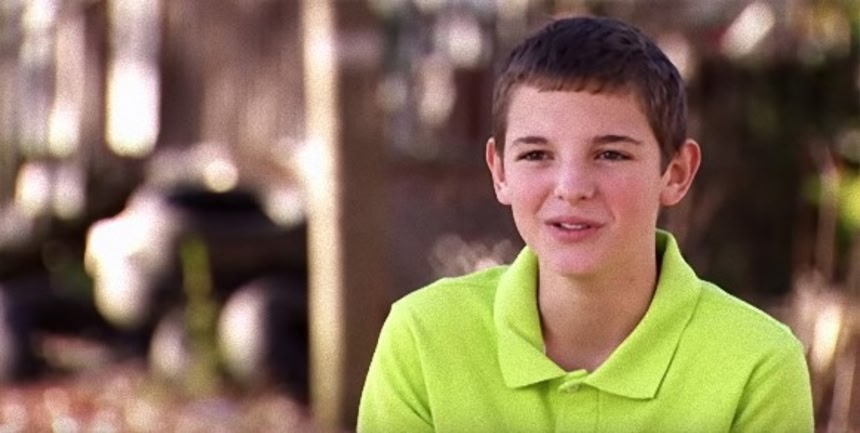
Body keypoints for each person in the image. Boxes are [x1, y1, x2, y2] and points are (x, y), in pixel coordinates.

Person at [358, 15, 814, 432]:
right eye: (536, 154)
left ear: (675, 173)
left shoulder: (757, 364)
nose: (572, 188)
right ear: (499, 172)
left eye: (611, 154)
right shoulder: (423, 338)